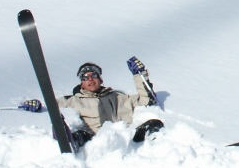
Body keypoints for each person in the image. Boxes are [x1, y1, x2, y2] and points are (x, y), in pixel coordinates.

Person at [22, 56, 163, 149]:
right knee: (80, 134)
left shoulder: (118, 97)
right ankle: (71, 144)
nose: (90, 79)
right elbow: (50, 108)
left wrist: (140, 75)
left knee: (155, 123)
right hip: (94, 142)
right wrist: (36, 106)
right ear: (81, 83)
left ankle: (153, 150)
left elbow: (147, 100)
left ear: (100, 79)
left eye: (93, 75)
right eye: (85, 77)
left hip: (124, 140)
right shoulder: (73, 101)